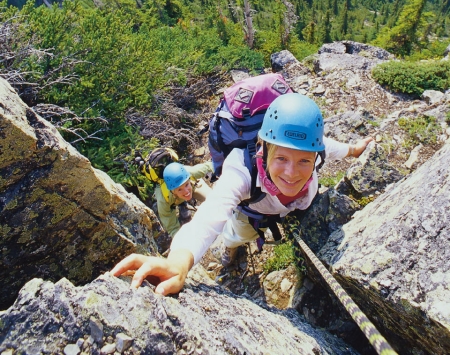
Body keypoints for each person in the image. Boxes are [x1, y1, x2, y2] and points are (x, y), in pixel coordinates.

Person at [111, 93, 373, 295]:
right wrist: (178, 263)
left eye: (304, 161)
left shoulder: (314, 147)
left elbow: (334, 147)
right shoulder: (242, 170)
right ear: (264, 147)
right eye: (281, 158)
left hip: (292, 207)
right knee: (237, 234)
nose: (292, 173)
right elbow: (208, 218)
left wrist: (355, 149)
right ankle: (231, 249)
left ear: (314, 154)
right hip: (253, 214)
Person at [155, 160, 213, 237]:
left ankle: (184, 196)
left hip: (194, 185)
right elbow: (172, 228)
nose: (186, 191)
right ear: (173, 191)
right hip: (174, 199)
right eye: (179, 189)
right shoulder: (164, 199)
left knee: (215, 200)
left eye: (186, 185)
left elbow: (211, 165)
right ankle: (182, 203)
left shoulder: (190, 172)